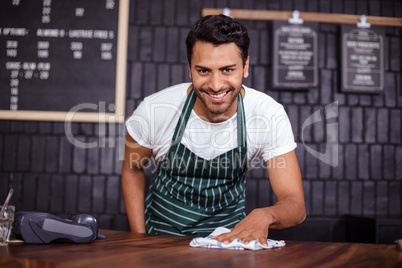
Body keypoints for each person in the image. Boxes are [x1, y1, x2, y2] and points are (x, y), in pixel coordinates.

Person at [122, 14, 306, 246]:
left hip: (227, 243)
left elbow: (296, 205)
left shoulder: (268, 114)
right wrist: (140, 240)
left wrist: (264, 215)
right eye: (203, 71)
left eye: (228, 70)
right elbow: (132, 169)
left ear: (245, 66)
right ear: (189, 68)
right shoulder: (154, 110)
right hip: (160, 236)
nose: (216, 85)